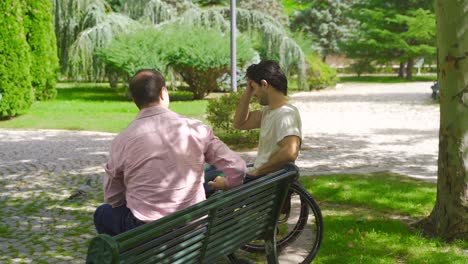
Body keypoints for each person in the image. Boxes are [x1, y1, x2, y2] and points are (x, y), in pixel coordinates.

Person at [94, 69, 246, 236]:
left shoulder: (122, 140)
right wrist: (228, 184)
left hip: (146, 230)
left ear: (134, 100)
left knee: (102, 214)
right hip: (194, 223)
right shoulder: (197, 129)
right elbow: (237, 167)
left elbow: (113, 198)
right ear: (163, 93)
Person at [233, 60, 302, 178]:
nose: (253, 94)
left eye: (253, 88)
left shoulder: (285, 114)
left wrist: (258, 171)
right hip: (263, 183)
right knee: (214, 173)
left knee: (211, 182)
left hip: (261, 181)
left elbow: (290, 151)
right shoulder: (269, 112)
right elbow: (239, 123)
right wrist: (248, 93)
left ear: (264, 85)